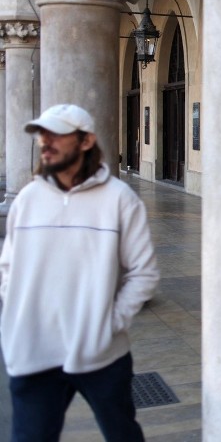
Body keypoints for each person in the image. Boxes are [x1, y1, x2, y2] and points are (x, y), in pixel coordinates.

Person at [0, 104, 160, 441]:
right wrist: (19, 315)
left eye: (56, 133)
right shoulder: (27, 199)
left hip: (101, 354)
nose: (45, 141)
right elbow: (8, 267)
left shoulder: (120, 200)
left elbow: (143, 274)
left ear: (86, 141)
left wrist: (107, 325)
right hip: (33, 353)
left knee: (123, 435)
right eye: (42, 133)